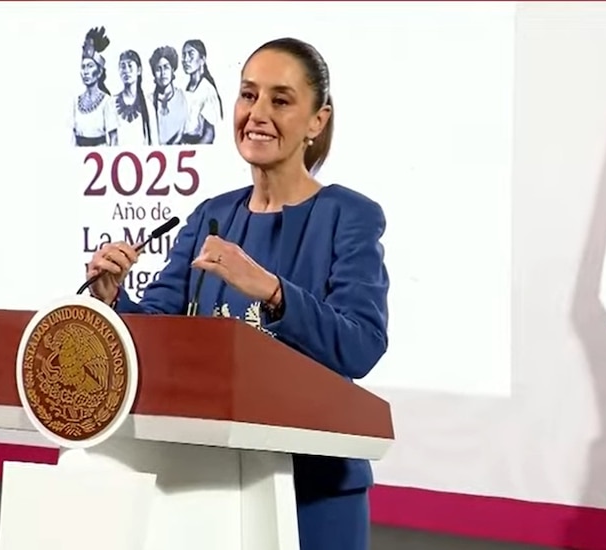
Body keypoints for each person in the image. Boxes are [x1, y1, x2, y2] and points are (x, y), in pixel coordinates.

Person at [85, 37, 389, 550]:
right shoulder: (211, 215)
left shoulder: (350, 216)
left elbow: (360, 344)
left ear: (318, 120)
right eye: (248, 95)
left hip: (313, 490)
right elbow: (160, 331)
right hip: (210, 482)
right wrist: (112, 301)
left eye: (281, 99)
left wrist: (269, 290)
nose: (257, 114)